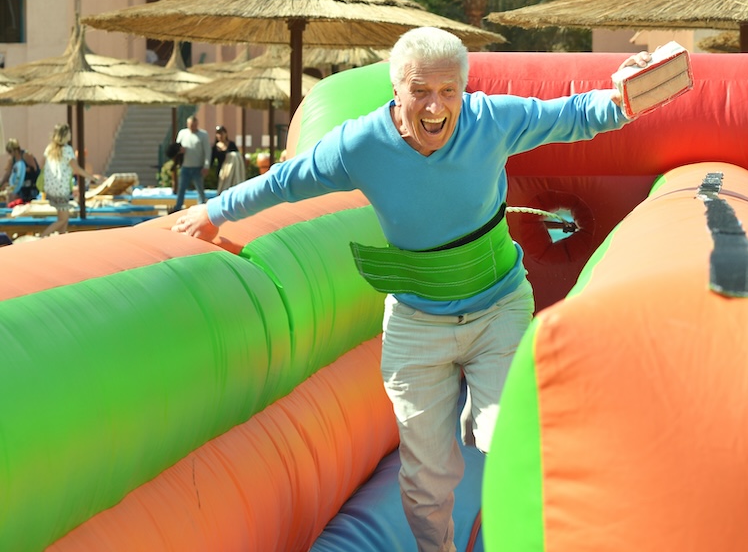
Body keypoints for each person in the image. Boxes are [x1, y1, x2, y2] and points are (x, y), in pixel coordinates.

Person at [174, 27, 656, 551]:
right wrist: (211, 211)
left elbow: (574, 115)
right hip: (416, 323)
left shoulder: (489, 119)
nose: (434, 106)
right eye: (421, 90)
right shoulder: (360, 145)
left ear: (464, 91)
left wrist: (624, 97)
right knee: (427, 482)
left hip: (498, 310)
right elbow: (284, 181)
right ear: (397, 90)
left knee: (507, 442)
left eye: (448, 91)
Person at [40, 124, 101, 237]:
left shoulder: (49, 148)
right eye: (69, 133)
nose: (70, 135)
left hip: (50, 188)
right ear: (65, 135)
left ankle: (61, 239)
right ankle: (42, 237)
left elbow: (42, 164)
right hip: (61, 189)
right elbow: (76, 169)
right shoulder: (67, 150)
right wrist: (92, 178)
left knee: (63, 218)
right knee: (63, 219)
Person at [172, 114, 209, 213]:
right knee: (181, 189)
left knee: (200, 189)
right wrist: (180, 150)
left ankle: (202, 207)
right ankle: (178, 207)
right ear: (187, 124)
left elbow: (207, 151)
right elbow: (176, 147)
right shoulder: (182, 133)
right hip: (185, 166)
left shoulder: (203, 135)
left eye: (195, 125)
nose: (193, 127)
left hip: (198, 167)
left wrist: (206, 165)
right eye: (191, 125)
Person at [2, 138, 41, 206]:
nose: (10, 154)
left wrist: (25, 170)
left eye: (10, 152)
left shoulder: (26, 155)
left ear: (15, 149)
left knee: (29, 204)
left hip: (31, 185)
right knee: (10, 195)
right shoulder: (12, 159)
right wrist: (1, 183)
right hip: (20, 186)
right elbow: (8, 173)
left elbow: (35, 169)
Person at [211, 125, 246, 194]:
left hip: (233, 172)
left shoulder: (231, 144)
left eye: (222, 133)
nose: (220, 135)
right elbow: (211, 160)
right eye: (218, 133)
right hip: (222, 172)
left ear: (226, 134)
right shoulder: (215, 147)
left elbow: (237, 157)